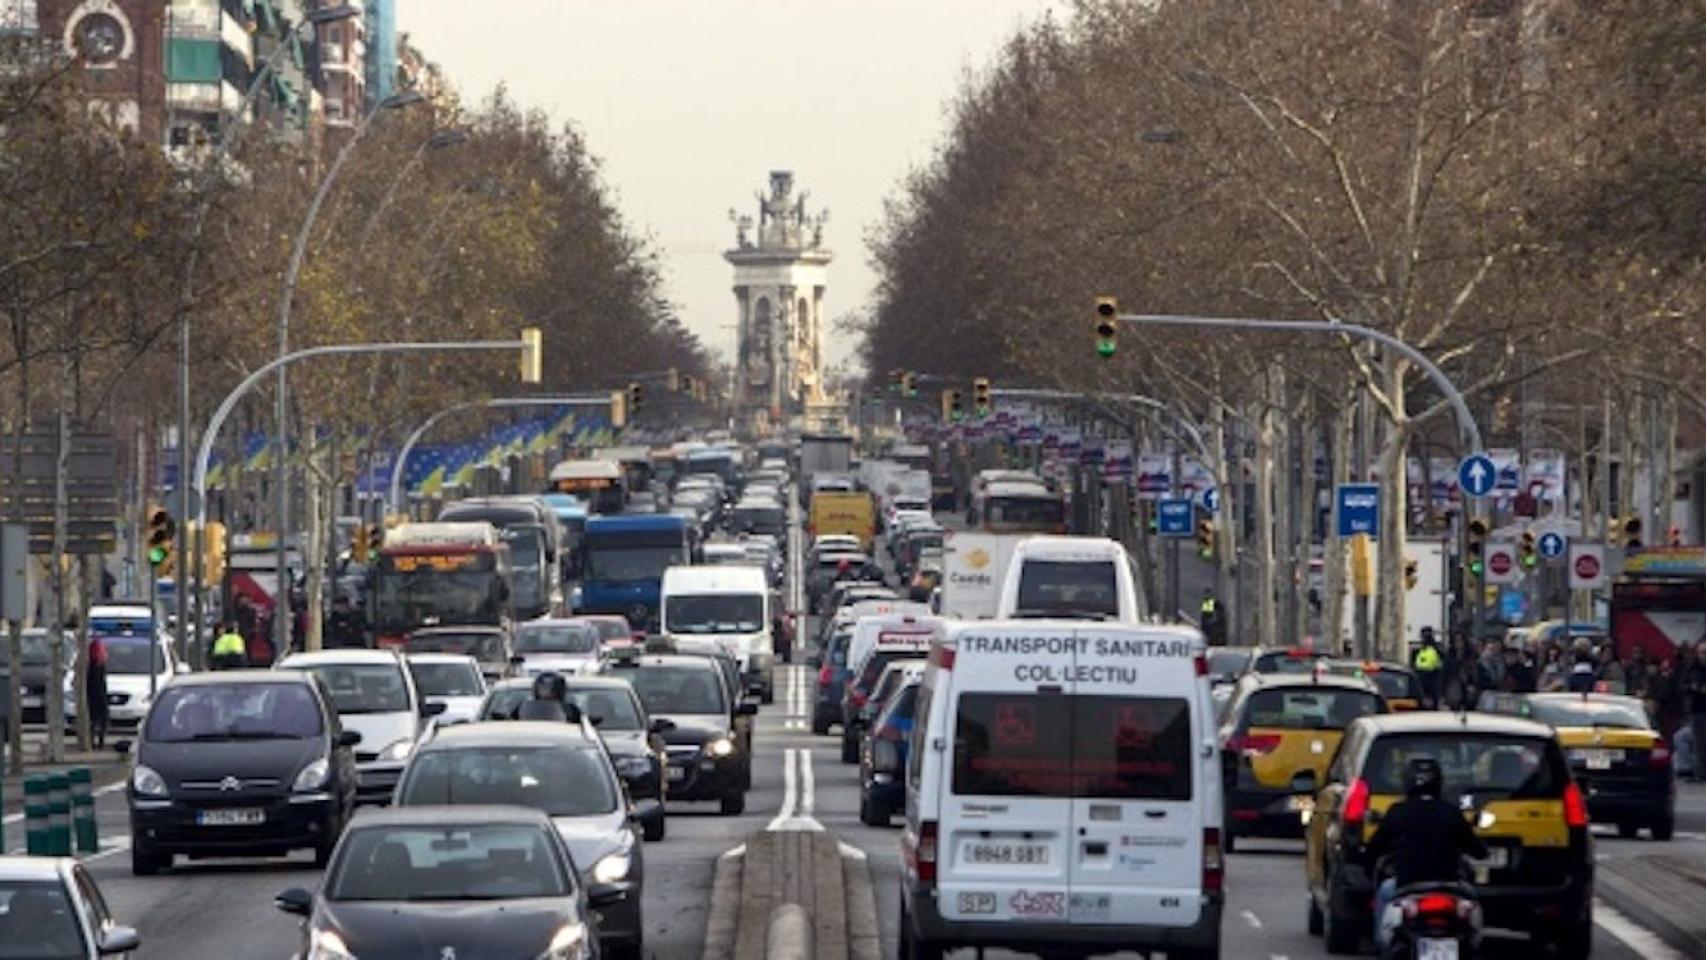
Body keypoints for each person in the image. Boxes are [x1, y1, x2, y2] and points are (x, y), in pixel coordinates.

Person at [1366, 757, 1489, 951]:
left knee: (1384, 893)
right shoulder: (1451, 812)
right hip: (1450, 884)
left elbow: (1374, 848)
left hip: (1407, 885)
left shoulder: (1398, 812)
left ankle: (1381, 946)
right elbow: (1478, 851)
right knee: (1472, 900)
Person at [514, 671, 581, 722]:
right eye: (543, 688)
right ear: (536, 689)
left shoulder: (570, 710)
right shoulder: (523, 707)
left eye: (551, 689)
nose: (546, 692)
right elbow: (512, 723)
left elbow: (581, 726)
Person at [1682, 643, 1706, 782]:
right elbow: (1684, 685)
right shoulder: (1693, 669)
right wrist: (1695, 687)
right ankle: (1699, 773)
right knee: (1699, 744)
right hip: (1698, 710)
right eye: (1702, 652)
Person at [85, 635, 109, 748]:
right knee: (99, 718)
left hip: (92, 694)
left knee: (94, 719)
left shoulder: (91, 665)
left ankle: (96, 740)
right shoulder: (97, 666)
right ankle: (99, 741)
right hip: (98, 695)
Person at [1412, 628, 1444, 708]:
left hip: (1432, 682)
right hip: (1420, 683)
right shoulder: (1417, 652)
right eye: (1424, 637)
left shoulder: (1438, 651)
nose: (1425, 639)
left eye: (1427, 637)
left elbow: (1441, 668)